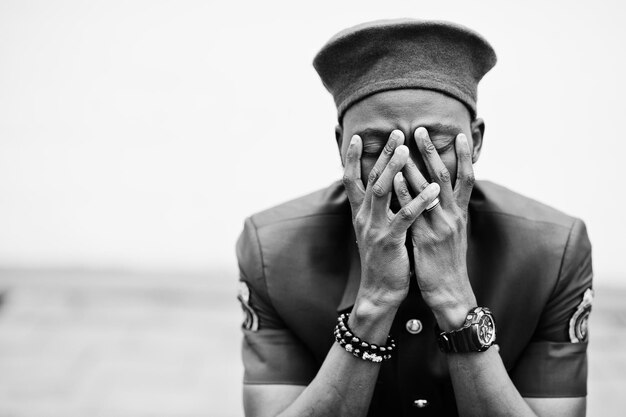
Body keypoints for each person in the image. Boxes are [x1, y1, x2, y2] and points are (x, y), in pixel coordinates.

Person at [235, 19, 593, 417]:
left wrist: (455, 300)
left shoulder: (554, 249)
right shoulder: (272, 250)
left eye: (437, 145)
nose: (407, 171)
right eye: (376, 148)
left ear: (475, 141)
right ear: (341, 145)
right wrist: (373, 303)